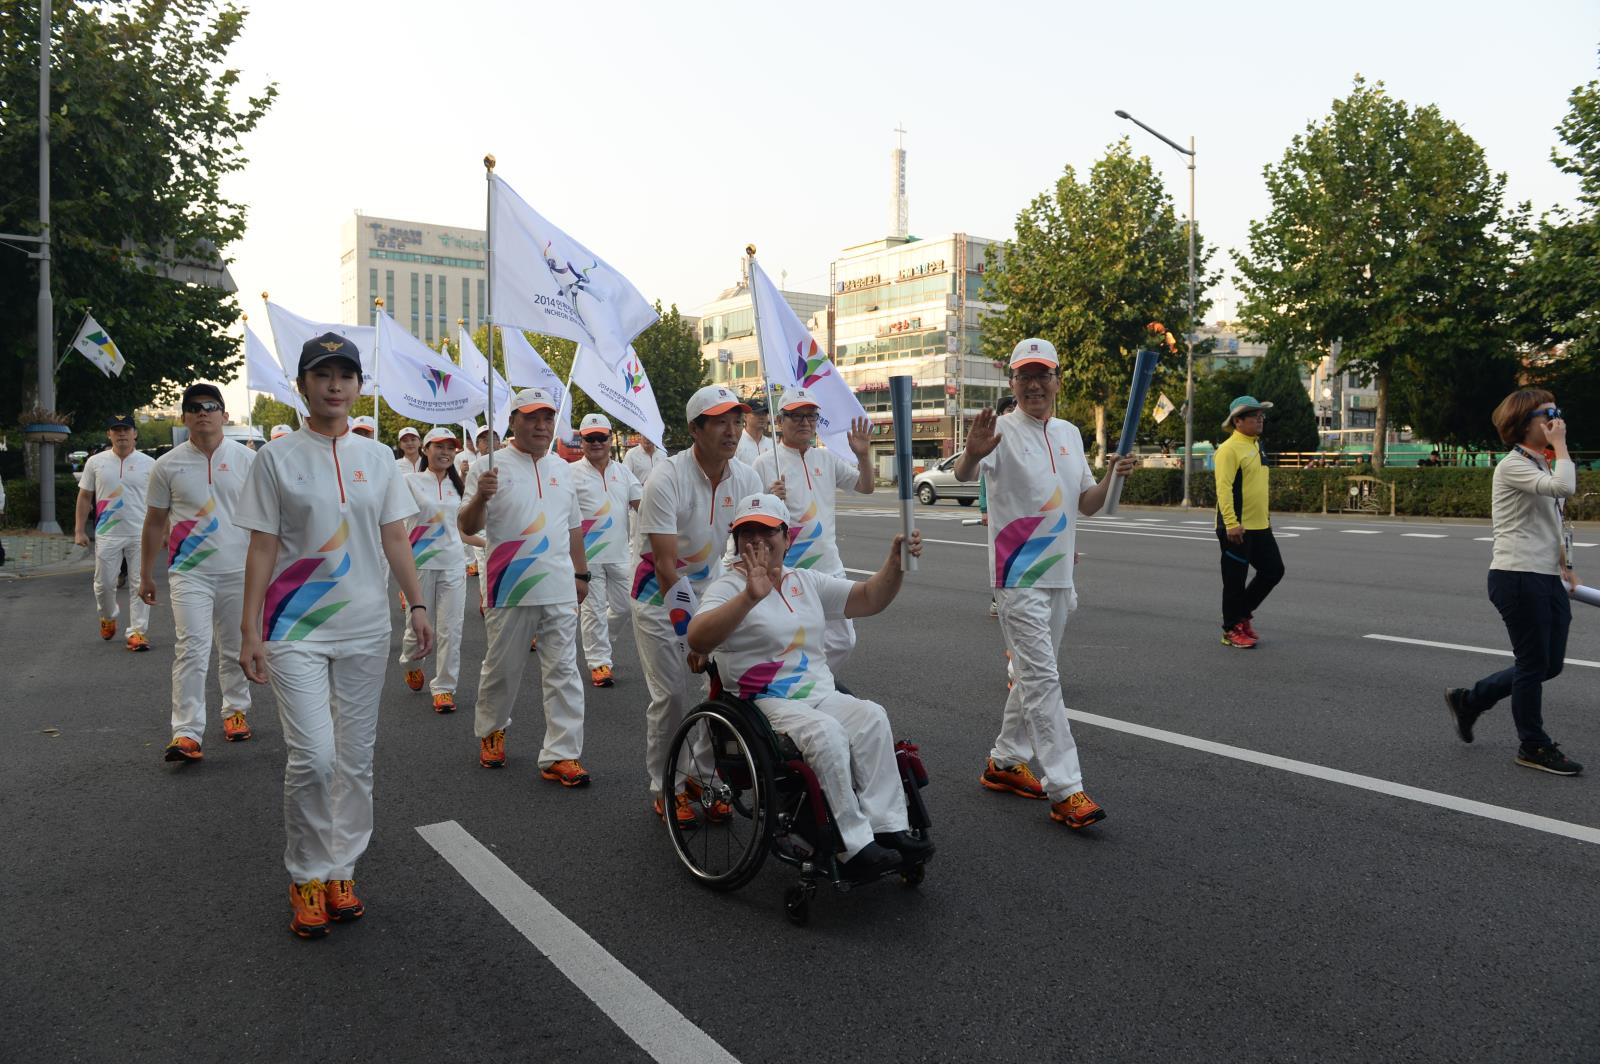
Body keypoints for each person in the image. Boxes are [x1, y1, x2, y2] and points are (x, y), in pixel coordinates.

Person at [236, 333, 432, 939]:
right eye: (323, 375)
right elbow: (263, 544)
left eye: (345, 374)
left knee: (354, 759)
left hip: (366, 626)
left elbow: (396, 536)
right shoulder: (276, 458)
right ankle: (306, 873)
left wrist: (417, 603)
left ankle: (342, 866)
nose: (335, 385)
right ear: (302, 385)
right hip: (293, 626)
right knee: (314, 757)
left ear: (357, 386)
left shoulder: (377, 460)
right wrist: (249, 629)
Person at [690, 494, 932, 880]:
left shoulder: (806, 581)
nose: (756, 540)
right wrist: (750, 597)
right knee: (827, 734)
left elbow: (869, 598)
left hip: (819, 693)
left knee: (871, 716)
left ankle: (888, 827)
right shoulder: (727, 587)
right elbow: (698, 639)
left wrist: (895, 566)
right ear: (735, 540)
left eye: (766, 531)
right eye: (746, 532)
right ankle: (853, 846)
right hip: (764, 703)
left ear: (786, 537)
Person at [954, 338, 1135, 831]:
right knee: (1042, 680)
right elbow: (969, 476)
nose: (1034, 384)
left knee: (1038, 675)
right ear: (1012, 383)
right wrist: (971, 454)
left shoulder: (1071, 434)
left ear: (1057, 379)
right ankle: (1066, 788)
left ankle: (1006, 761)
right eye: (1024, 376)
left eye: (1043, 374)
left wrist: (1115, 476)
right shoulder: (999, 431)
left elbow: (1089, 503)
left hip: (1060, 575)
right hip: (1017, 576)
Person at [631, 385, 763, 825]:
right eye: (721, 421)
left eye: (737, 420)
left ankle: (701, 778)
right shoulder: (665, 477)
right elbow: (667, 566)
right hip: (657, 597)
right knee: (669, 695)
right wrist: (692, 634)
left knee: (720, 692)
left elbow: (753, 546)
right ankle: (665, 785)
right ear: (695, 429)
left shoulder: (746, 477)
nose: (733, 430)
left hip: (712, 595)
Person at [458, 388, 593, 785]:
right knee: (502, 667)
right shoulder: (490, 466)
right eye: (532, 417)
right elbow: (467, 527)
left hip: (559, 586)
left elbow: (573, 528)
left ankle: (561, 753)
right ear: (513, 421)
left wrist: (581, 574)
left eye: (547, 418)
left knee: (564, 671)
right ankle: (492, 729)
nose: (541, 425)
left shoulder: (562, 469)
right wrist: (481, 497)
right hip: (509, 586)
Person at [1445, 390, 1583, 776]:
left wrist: (1565, 564)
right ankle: (1533, 745)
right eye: (1549, 414)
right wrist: (1562, 444)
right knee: (1532, 664)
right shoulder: (1512, 466)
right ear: (1525, 424)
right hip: (1517, 577)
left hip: (1544, 576)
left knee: (1549, 665)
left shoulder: (1539, 463)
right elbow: (1564, 489)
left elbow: (1550, 521)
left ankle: (1470, 700)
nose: (1557, 419)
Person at [139, 386, 258, 761]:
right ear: (184, 417)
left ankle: (235, 710)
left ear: (224, 414)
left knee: (234, 647)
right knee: (191, 647)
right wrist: (145, 574)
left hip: (239, 570)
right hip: (189, 572)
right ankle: (186, 732)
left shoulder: (248, 460)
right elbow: (155, 522)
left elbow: (266, 522)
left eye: (210, 407)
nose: (203, 413)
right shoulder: (167, 465)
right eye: (194, 408)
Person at [751, 387, 875, 673]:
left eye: (811, 416)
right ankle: (798, 687)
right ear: (780, 421)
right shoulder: (764, 463)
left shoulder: (826, 459)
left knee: (843, 641)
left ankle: (808, 681)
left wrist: (864, 456)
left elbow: (866, 487)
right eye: (797, 416)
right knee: (788, 639)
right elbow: (751, 518)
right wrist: (770, 498)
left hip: (829, 566)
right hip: (788, 569)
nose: (805, 422)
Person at [400, 428, 480, 713]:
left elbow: (461, 531)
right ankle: (410, 662)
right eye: (439, 446)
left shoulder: (459, 488)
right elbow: (395, 527)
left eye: (450, 447)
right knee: (416, 630)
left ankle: (444, 687)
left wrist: (491, 543)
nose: (445, 452)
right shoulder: (409, 482)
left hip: (453, 565)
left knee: (451, 629)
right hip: (419, 565)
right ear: (426, 449)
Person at [570, 413, 642, 687]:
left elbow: (642, 505)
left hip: (620, 555)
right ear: (583, 441)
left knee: (625, 607)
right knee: (593, 611)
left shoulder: (623, 472)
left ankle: (604, 639)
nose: (597, 443)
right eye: (591, 438)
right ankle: (599, 662)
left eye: (602, 437)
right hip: (586, 559)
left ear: (610, 439)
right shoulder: (571, 473)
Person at [75, 414, 156, 650]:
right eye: (116, 430)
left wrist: (163, 532)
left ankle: (138, 632)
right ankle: (108, 615)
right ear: (109, 434)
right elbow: (85, 496)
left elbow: (160, 501)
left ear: (135, 433)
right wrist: (79, 530)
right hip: (107, 533)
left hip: (140, 533)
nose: (122, 434)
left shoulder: (149, 464)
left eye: (126, 429)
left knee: (139, 582)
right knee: (103, 585)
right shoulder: (95, 462)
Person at [1214, 395, 1286, 649]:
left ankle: (1240, 615)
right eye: (1254, 415)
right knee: (1235, 581)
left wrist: (1266, 519)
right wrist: (1231, 523)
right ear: (1238, 420)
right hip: (1236, 528)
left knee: (1273, 570)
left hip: (1260, 526)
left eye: (1261, 415)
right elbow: (1223, 489)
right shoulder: (1228, 449)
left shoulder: (1256, 445)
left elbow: (1257, 488)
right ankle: (1231, 629)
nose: (1260, 419)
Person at [978, 395, 1019, 618]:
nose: (1011, 411)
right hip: (1002, 514)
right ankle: (998, 598)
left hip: (1023, 512)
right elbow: (982, 479)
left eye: (1014, 407)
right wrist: (984, 509)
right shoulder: (995, 437)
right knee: (1006, 556)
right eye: (1008, 408)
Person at [734, 394, 771, 467]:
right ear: (745, 416)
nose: (762, 417)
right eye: (757, 413)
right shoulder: (736, 443)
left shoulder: (772, 444)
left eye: (764, 414)